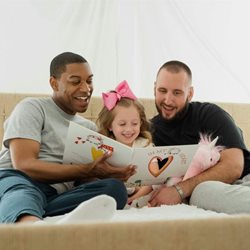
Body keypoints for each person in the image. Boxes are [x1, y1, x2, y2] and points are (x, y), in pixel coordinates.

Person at [0, 52, 136, 224]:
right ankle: (31, 229)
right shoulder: (32, 107)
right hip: (17, 180)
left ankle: (30, 211)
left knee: (114, 190)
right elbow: (24, 165)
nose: (86, 88)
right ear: (54, 83)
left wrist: (109, 173)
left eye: (89, 81)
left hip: (55, 194)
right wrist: (88, 169)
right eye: (75, 81)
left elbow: (83, 179)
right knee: (24, 193)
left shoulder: (89, 128)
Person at [148, 60, 250, 214]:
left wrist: (180, 190)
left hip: (242, 182)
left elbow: (234, 166)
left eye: (177, 92)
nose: (168, 100)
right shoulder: (149, 131)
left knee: (200, 193)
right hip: (217, 195)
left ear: (190, 93)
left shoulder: (210, 114)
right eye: (162, 90)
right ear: (154, 89)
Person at [96, 80, 154, 206]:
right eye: (122, 124)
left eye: (134, 124)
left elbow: (150, 183)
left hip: (140, 196)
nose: (129, 129)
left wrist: (131, 200)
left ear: (141, 123)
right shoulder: (104, 146)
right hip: (112, 193)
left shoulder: (144, 145)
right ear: (110, 125)